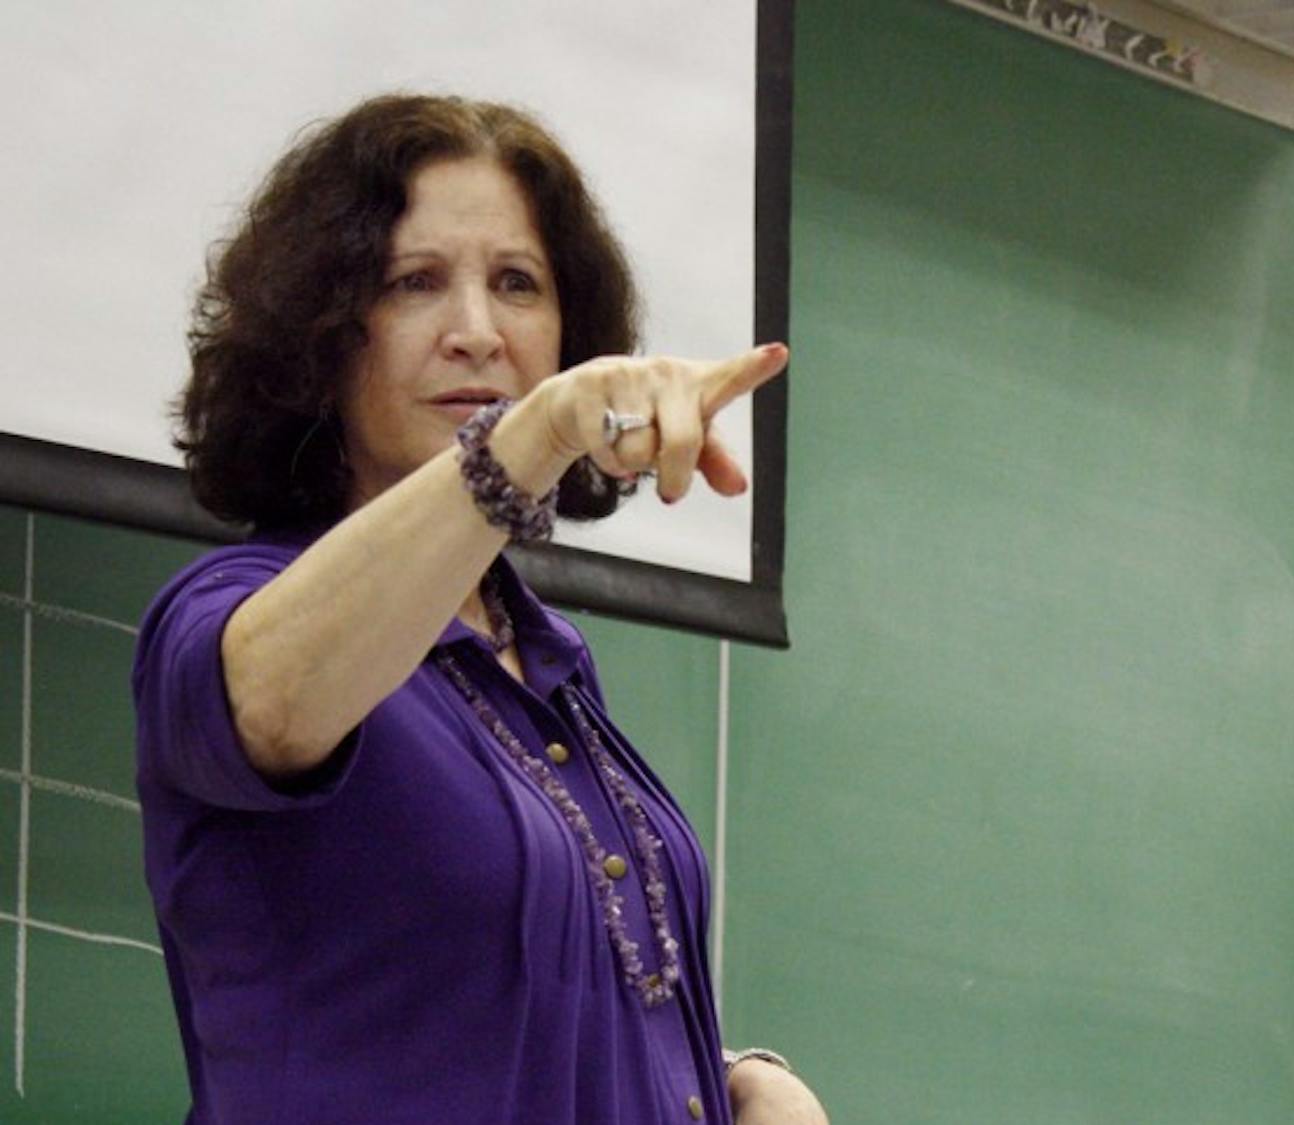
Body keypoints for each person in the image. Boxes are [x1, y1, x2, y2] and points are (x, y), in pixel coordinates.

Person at [132, 93, 826, 1125]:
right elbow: (275, 707)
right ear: (322, 335)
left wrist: (738, 1083)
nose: (477, 332)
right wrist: (535, 434)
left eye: (518, 284)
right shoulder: (233, 615)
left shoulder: (549, 663)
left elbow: (484, 1024)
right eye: (414, 283)